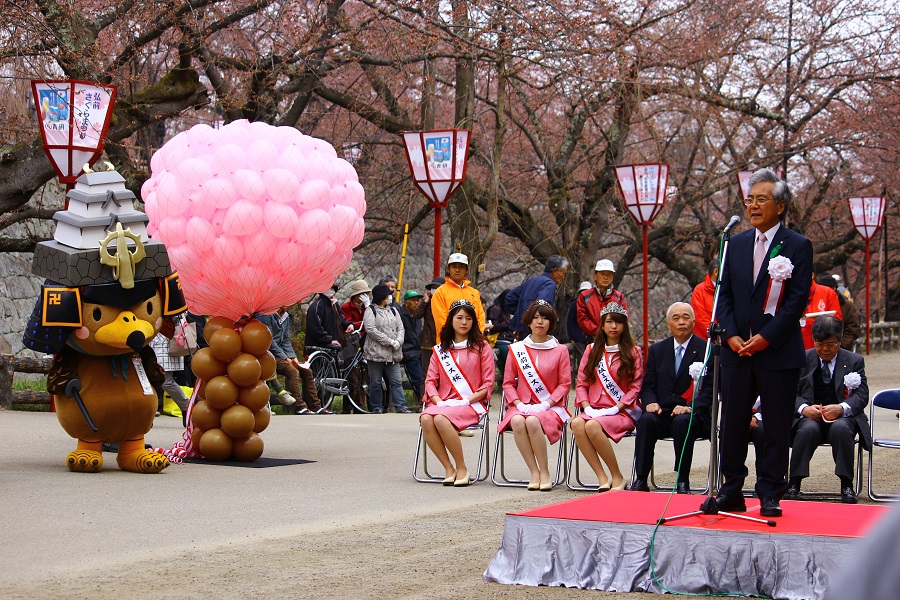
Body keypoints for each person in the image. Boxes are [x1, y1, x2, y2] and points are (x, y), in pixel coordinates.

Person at [714, 167, 813, 518]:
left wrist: (765, 338)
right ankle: (731, 489)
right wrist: (730, 333)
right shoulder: (736, 243)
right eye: (749, 199)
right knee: (733, 423)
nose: (753, 206)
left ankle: (770, 492)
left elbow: (796, 301)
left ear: (780, 206)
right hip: (737, 350)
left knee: (774, 426)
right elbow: (723, 295)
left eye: (762, 199)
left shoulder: (798, 246)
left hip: (777, 351)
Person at [784, 316, 871, 504]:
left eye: (831, 344)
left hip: (842, 417)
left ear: (840, 341)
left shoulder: (854, 361)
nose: (825, 349)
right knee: (807, 430)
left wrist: (841, 408)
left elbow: (862, 395)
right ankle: (794, 483)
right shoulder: (803, 359)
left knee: (841, 429)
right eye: (820, 344)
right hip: (810, 416)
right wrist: (804, 408)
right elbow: (789, 392)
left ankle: (846, 484)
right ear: (813, 341)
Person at [631, 302, 712, 494]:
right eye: (676, 318)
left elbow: (710, 389)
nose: (681, 322)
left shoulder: (706, 349)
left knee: (683, 421)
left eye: (686, 317)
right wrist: (650, 402)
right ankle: (641, 479)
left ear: (693, 322)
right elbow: (648, 386)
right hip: (662, 412)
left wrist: (691, 407)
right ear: (668, 324)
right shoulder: (657, 350)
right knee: (646, 421)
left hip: (692, 414)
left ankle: (682, 479)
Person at [419, 299, 495, 487]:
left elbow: (487, 383)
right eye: (459, 318)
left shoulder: (481, 347)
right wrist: (438, 401)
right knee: (426, 418)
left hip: (471, 404)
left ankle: (461, 468)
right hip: (444, 403)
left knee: (440, 419)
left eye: (468, 318)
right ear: (451, 320)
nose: (464, 322)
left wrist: (467, 400)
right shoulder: (441, 350)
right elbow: (430, 381)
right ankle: (448, 468)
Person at [498, 300, 571, 491]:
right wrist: (518, 404)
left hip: (550, 407)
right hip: (521, 405)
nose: (540, 322)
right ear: (529, 321)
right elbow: (507, 383)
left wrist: (547, 403)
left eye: (545, 318)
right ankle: (534, 472)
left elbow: (565, 384)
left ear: (551, 323)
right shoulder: (517, 349)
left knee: (532, 421)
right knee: (517, 421)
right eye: (536, 318)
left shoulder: (560, 350)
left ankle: (545, 471)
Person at [571, 302, 643, 491]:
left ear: (624, 326)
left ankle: (617, 476)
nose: (613, 326)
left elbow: (635, 387)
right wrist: (586, 407)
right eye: (609, 322)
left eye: (618, 322)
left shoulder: (633, 352)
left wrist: (616, 408)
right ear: (602, 325)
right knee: (577, 423)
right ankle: (602, 477)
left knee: (592, 426)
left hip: (622, 411)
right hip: (595, 409)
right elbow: (582, 383)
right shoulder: (592, 350)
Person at [258, 308, 325, 415]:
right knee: (292, 371)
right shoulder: (265, 315)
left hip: (282, 355)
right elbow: (269, 341)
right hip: (268, 355)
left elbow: (286, 340)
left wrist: (293, 357)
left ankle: (316, 406)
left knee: (307, 371)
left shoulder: (285, 316)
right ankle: (299, 407)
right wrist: (285, 358)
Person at [363, 283, 411, 414]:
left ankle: (401, 406)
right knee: (376, 382)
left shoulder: (393, 310)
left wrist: (398, 341)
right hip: (376, 353)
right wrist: (389, 341)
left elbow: (400, 328)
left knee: (396, 381)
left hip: (393, 354)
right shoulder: (370, 311)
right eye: (387, 295)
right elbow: (370, 329)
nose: (390, 297)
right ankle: (377, 406)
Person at [505, 255, 569, 339]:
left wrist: (521, 314)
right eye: (563, 273)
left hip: (522, 328)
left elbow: (510, 297)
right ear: (555, 271)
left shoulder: (531, 281)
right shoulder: (550, 284)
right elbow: (542, 304)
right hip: (536, 330)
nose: (563, 277)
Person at [431, 253, 486, 343]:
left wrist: (475, 338)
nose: (457, 270)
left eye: (461, 267)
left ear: (466, 270)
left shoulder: (474, 293)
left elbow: (480, 318)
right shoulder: (440, 293)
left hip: (472, 343)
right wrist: (457, 340)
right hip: (448, 343)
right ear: (448, 269)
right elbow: (441, 321)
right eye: (454, 267)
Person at [149, 316, 190, 422]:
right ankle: (148, 414)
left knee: (164, 380)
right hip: (152, 341)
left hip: (165, 342)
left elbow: (179, 315)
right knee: (149, 381)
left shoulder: (172, 306)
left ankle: (186, 405)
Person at [576, 259, 629, 340]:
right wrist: (598, 332)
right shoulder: (585, 296)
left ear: (612, 277)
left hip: (614, 339)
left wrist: (611, 332)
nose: (605, 277)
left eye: (608, 274)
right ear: (595, 276)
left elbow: (624, 317)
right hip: (592, 338)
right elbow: (582, 318)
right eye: (602, 274)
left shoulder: (619, 297)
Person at [817, 275, 860, 350]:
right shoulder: (814, 303)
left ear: (833, 288)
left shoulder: (847, 306)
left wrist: (841, 344)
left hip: (840, 348)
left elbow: (853, 328)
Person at [801, 274, 842, 350]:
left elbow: (837, 322)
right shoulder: (788, 293)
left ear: (812, 275)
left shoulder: (827, 293)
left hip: (820, 349)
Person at [306, 283, 353, 349]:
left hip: (334, 344)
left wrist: (348, 325)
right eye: (329, 288)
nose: (332, 290)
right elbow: (315, 328)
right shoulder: (317, 306)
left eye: (333, 288)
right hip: (319, 347)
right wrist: (329, 340)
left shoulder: (334, 304)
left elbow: (340, 318)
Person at [399, 289, 425, 404]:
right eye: (413, 300)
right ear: (406, 302)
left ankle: (424, 401)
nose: (416, 303)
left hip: (419, 351)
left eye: (418, 300)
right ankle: (423, 401)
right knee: (417, 379)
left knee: (425, 378)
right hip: (408, 353)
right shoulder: (400, 315)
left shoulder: (417, 316)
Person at [418, 276, 445, 378]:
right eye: (433, 287)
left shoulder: (446, 302)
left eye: (437, 287)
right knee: (426, 373)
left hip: (443, 343)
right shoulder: (428, 302)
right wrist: (425, 301)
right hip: (428, 342)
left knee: (442, 373)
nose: (435, 290)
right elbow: (417, 315)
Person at [486, 289, 515, 380]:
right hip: (499, 339)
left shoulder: (506, 309)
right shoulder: (496, 309)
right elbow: (494, 326)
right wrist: (509, 322)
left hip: (508, 338)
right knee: (511, 358)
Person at [566, 281, 593, 379]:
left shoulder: (593, 304)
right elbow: (570, 321)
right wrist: (571, 337)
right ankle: (583, 378)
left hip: (591, 336)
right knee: (582, 358)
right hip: (578, 337)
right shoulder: (575, 304)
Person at [690, 260, 718, 340]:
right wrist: (714, 333)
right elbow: (700, 317)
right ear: (715, 272)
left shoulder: (727, 290)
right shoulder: (700, 290)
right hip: (703, 339)